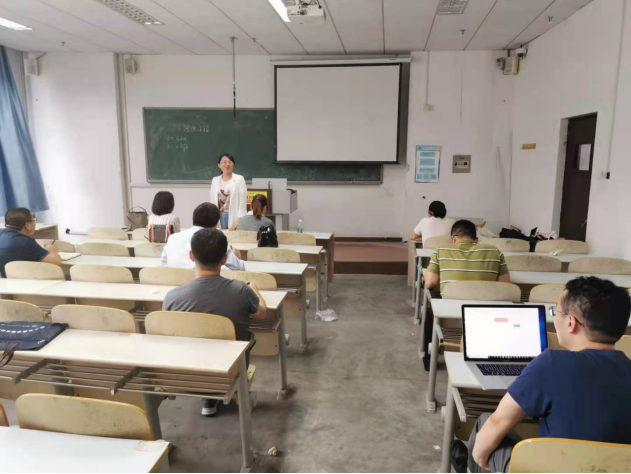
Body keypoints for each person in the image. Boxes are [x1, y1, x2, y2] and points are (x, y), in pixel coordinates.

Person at [455, 277, 631, 474]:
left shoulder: (552, 364)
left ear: (571, 323)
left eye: (557, 312)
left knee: (486, 424)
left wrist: (480, 460)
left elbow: (497, 424)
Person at [163, 228, 267, 417]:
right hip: (230, 370)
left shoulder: (172, 298)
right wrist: (255, 289)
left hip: (186, 371)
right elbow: (261, 314)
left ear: (191, 256)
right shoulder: (241, 291)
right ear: (224, 259)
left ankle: (208, 398)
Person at [425, 220, 510, 293]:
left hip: (451, 304)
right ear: (477, 240)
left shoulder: (440, 250)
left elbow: (430, 283)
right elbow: (505, 285)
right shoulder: (495, 251)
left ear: (454, 239)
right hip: (485, 304)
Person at [161, 203, 244, 271]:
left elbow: (164, 265)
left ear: (193, 219)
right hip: (209, 285)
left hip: (174, 284)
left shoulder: (172, 238)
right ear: (216, 225)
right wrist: (236, 256)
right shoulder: (217, 240)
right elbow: (239, 268)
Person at [0, 207, 62, 278]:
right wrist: (51, 249)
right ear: (28, 225)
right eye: (33, 220)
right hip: (12, 281)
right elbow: (56, 261)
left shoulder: (2, 233)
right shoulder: (24, 241)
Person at [210, 154, 248, 230]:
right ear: (219, 165)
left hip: (234, 215)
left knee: (233, 236)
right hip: (219, 216)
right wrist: (213, 219)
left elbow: (243, 200)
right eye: (224, 162)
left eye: (230, 162)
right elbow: (213, 201)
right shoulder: (215, 180)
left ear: (233, 164)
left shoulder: (239, 179)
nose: (227, 164)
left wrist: (239, 219)